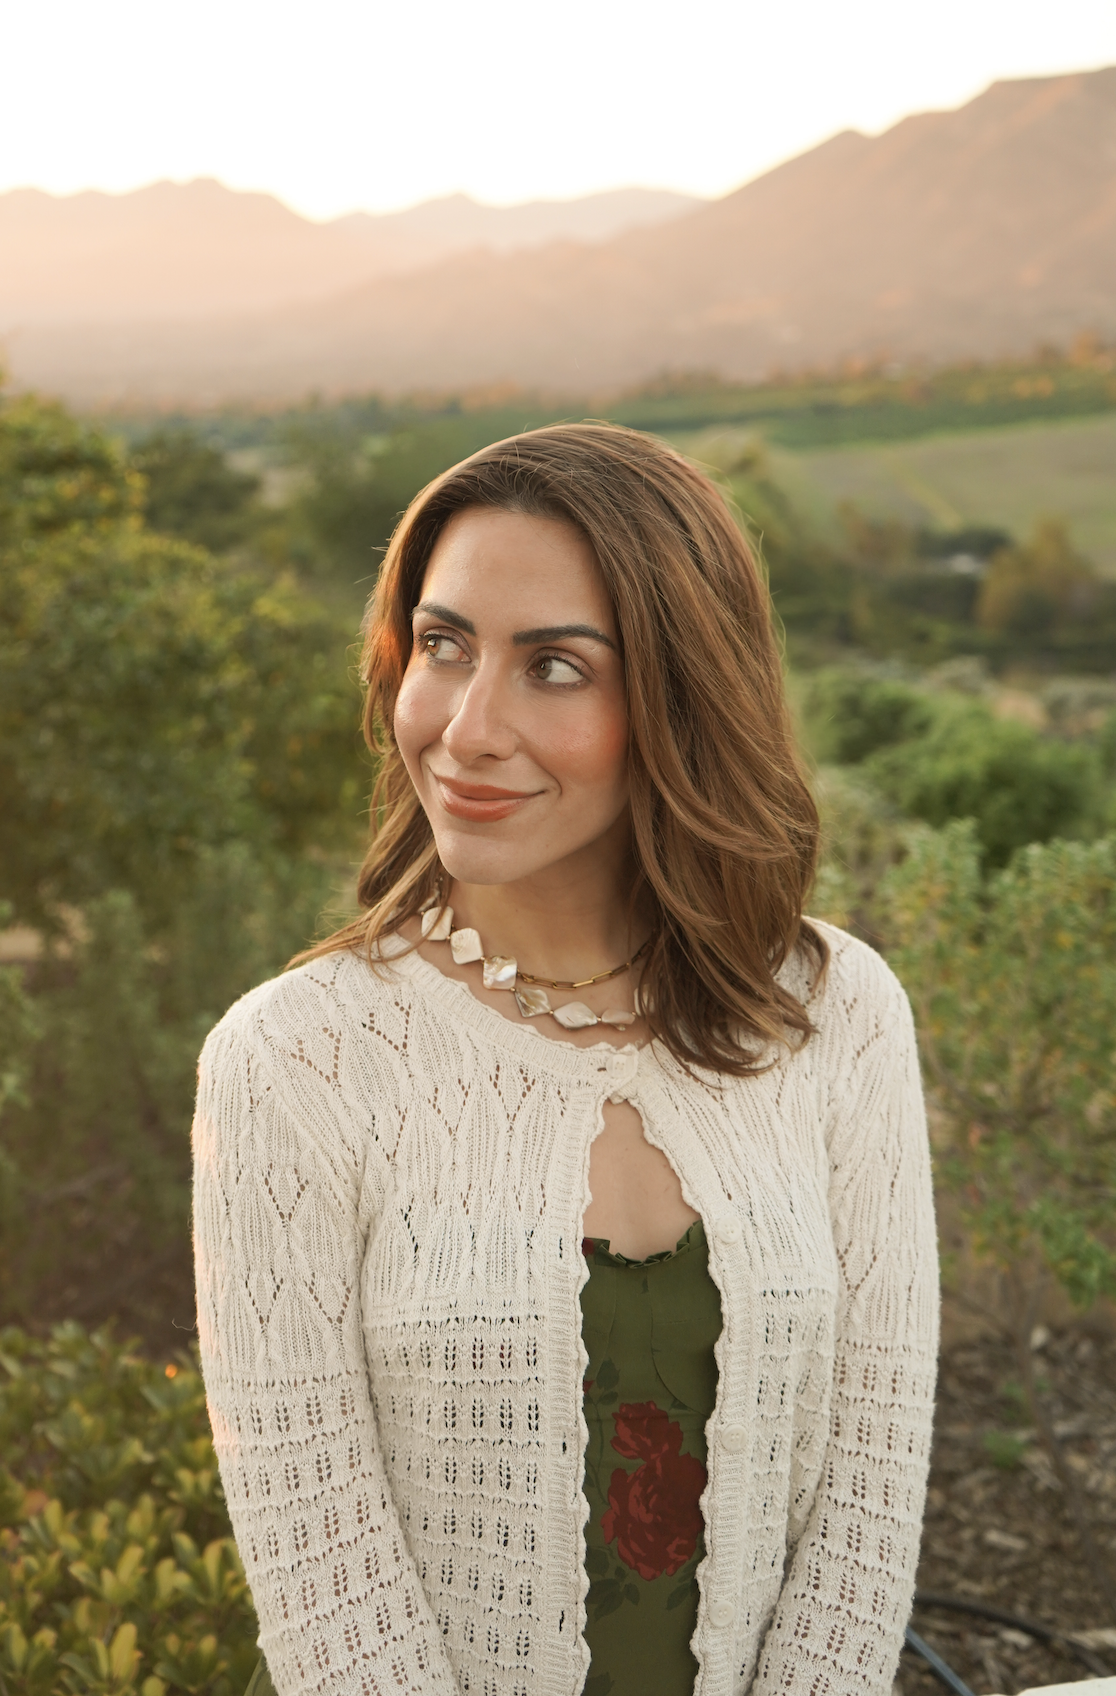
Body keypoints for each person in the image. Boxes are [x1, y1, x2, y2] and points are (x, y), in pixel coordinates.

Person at [192, 423, 938, 1696]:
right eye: (442, 646)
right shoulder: (294, 1060)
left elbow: (870, 1481)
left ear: (681, 694)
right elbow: (322, 1562)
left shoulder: (835, 1011)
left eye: (554, 666)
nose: (467, 728)